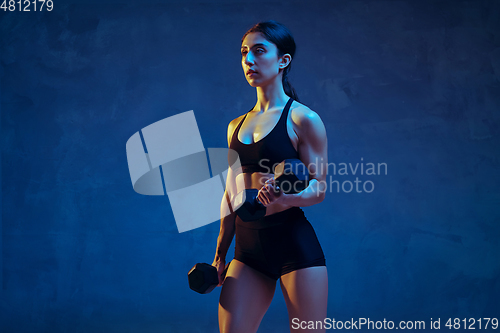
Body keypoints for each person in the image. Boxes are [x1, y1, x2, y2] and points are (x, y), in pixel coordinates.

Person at [212, 20, 329, 333]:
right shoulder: (235, 126)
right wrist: (220, 254)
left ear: (283, 60)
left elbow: (319, 189)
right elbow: (230, 195)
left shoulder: (303, 119)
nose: (249, 60)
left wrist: (285, 197)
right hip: (248, 250)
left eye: (259, 51)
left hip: (293, 244)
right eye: (244, 53)